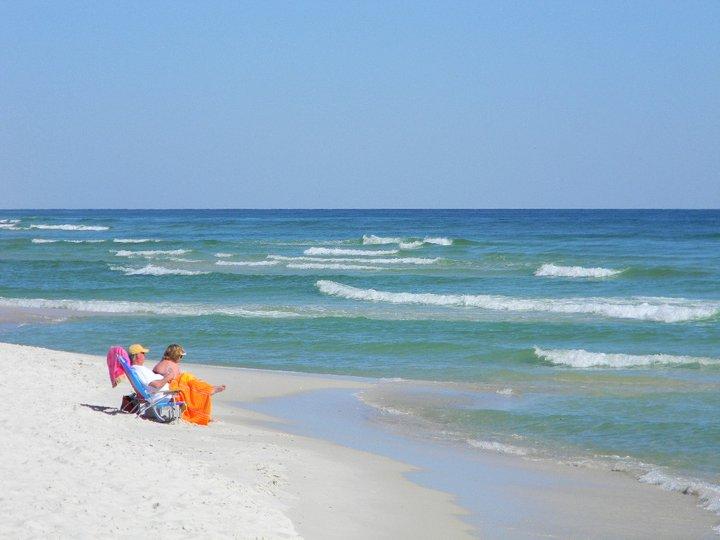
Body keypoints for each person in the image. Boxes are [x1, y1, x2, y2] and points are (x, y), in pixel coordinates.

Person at [152, 344, 225, 425]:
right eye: (180, 356)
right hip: (171, 389)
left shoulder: (159, 364)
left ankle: (207, 388)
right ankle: (208, 389)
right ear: (175, 355)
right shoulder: (174, 365)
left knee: (190, 381)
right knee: (190, 382)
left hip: (163, 388)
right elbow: (175, 379)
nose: (181, 359)